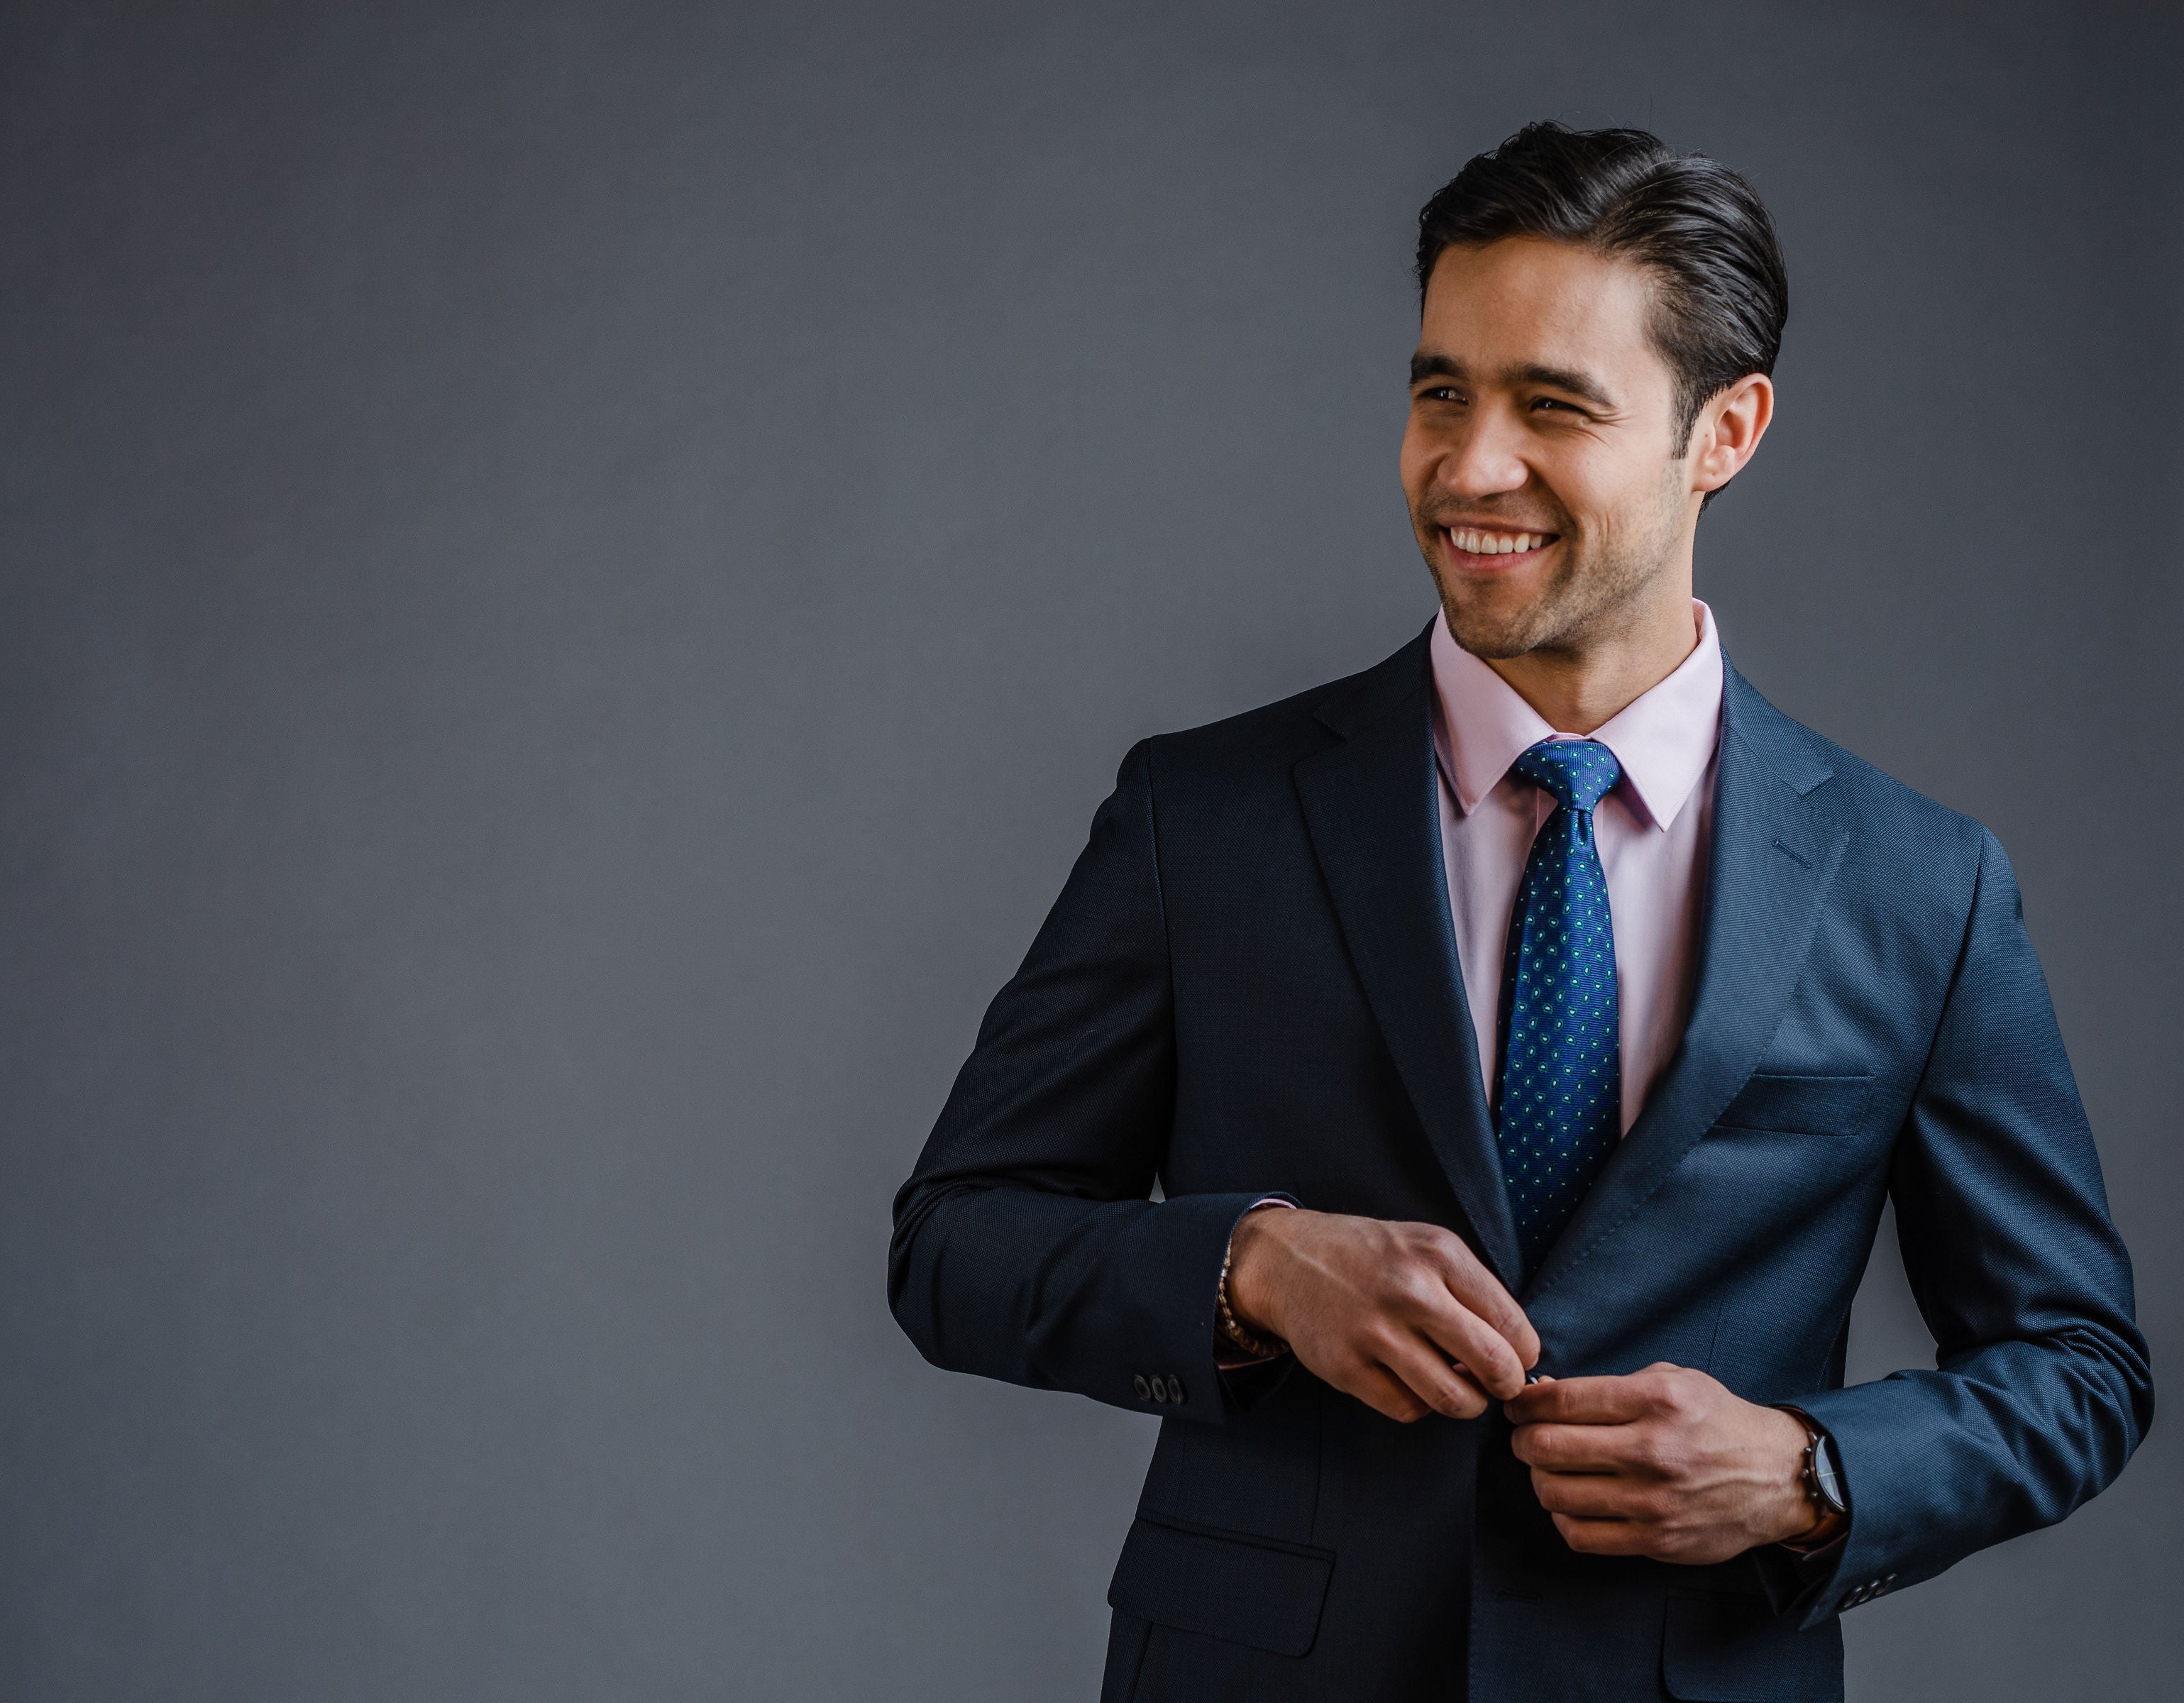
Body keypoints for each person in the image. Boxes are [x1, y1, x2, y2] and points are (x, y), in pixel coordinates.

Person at [886, 122, 2151, 1703]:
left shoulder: (1922, 882)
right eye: (1441, 392)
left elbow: (2080, 1369)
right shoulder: (1201, 816)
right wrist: (1255, 1269)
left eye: (1553, 406)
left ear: (1727, 431)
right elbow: (954, 1242)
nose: (1471, 466)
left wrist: (1812, 1471)